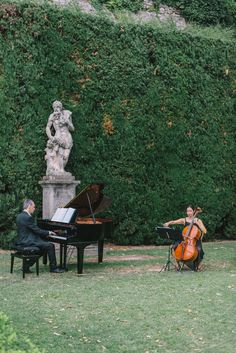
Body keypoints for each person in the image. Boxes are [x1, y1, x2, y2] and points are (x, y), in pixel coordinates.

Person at [16, 199, 64, 273]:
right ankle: (53, 268)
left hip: (22, 240)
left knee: (43, 247)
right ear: (29, 206)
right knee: (50, 246)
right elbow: (37, 230)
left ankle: (26, 265)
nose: (34, 209)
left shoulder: (19, 216)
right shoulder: (28, 217)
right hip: (27, 241)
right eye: (34, 207)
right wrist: (48, 232)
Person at [163, 205, 207, 270]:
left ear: (193, 211)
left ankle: (198, 265)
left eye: (190, 211)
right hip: (185, 239)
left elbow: (204, 231)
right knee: (174, 247)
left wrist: (198, 224)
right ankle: (178, 264)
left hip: (195, 240)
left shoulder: (198, 220)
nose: (189, 213)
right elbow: (174, 221)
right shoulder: (184, 220)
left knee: (199, 250)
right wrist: (168, 223)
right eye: (187, 211)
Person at [45, 100, 74, 176]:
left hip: (67, 137)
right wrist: (51, 137)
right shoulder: (52, 116)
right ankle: (60, 170)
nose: (56, 108)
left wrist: (67, 121)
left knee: (66, 155)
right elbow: (48, 127)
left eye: (58, 107)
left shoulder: (66, 114)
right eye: (54, 107)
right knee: (60, 153)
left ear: (61, 107)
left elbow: (72, 128)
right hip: (58, 137)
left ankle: (61, 170)